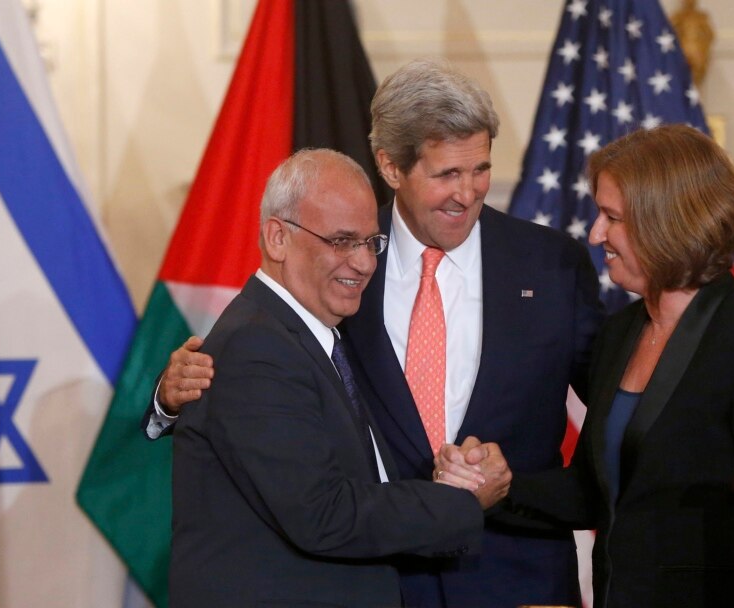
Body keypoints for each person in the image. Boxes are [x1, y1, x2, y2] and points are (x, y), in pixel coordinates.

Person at [147, 60, 605, 608]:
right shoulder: (339, 263)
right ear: (390, 166)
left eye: (479, 169)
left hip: (519, 576)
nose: (468, 193)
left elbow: (614, 414)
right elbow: (273, 390)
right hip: (380, 577)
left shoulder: (550, 265)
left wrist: (530, 496)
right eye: (445, 175)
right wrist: (169, 400)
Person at [437, 125, 734, 607]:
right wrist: (497, 483)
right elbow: (595, 492)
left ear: (667, 222)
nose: (595, 235)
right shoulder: (621, 332)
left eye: (612, 217)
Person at [168, 149, 511, 607]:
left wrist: (452, 476)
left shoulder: (310, 334)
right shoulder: (258, 348)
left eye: (371, 242)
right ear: (277, 239)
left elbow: (357, 479)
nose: (365, 263)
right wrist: (464, 501)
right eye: (342, 241)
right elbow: (324, 515)